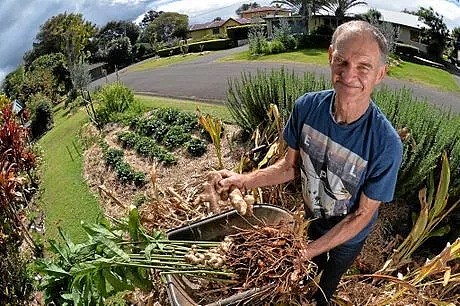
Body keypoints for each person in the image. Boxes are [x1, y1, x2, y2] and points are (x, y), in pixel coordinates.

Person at [217, 20, 403, 305]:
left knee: (328, 279)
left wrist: (305, 251)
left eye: (363, 66)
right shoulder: (307, 107)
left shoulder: (386, 143)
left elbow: (362, 215)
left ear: (380, 74)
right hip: (315, 217)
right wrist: (243, 180)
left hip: (349, 234)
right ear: (330, 57)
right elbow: (288, 167)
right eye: (341, 61)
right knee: (312, 265)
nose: (348, 74)